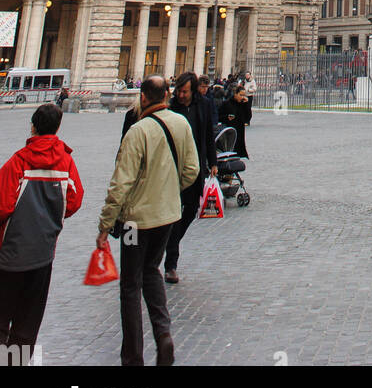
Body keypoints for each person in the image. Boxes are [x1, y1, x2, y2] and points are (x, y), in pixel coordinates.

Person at [97, 75, 199, 367]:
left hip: (133, 223)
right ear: (167, 96)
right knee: (152, 271)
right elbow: (191, 170)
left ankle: (133, 357)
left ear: (143, 97)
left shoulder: (137, 131)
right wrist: (168, 190)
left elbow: (120, 184)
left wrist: (105, 225)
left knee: (130, 284)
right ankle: (164, 334)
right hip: (166, 216)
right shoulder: (181, 124)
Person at [0, 102, 83, 363]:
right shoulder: (66, 163)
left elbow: (2, 205)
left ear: (33, 126)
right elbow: (74, 200)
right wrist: (50, 219)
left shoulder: (19, 161)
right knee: (28, 321)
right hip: (43, 253)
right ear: (57, 128)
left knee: (1, 317)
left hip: (10, 254)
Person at [164, 72, 218, 284]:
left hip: (195, 166)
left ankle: (171, 241)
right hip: (173, 167)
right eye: (178, 90)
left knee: (191, 209)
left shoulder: (203, 105)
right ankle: (171, 264)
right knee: (174, 212)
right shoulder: (171, 107)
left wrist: (213, 162)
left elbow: (208, 135)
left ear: (193, 90)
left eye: (184, 91)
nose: (181, 94)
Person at [219, 85, 252, 158]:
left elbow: (248, 117)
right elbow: (219, 116)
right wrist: (227, 117)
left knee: (239, 153)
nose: (242, 97)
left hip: (240, 130)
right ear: (235, 94)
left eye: (244, 95)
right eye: (241, 95)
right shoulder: (227, 103)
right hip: (230, 130)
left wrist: (247, 105)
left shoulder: (243, 104)